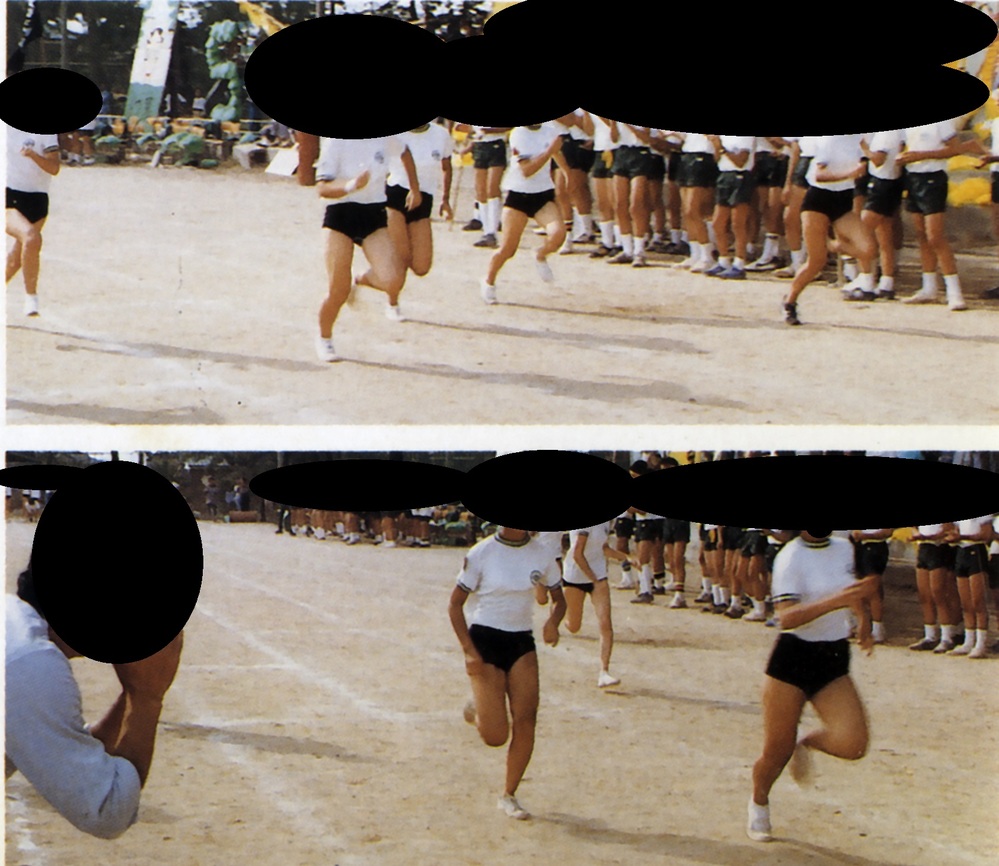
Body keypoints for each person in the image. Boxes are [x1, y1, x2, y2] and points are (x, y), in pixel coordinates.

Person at [6, 565, 183, 838]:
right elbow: (107, 812)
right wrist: (146, 697)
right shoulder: (31, 663)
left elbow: (70, 753)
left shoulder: (13, 627)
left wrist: (132, 693)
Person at [748, 530, 877, 843]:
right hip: (793, 660)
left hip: (832, 657)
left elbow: (852, 589)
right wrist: (837, 602)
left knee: (854, 744)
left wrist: (863, 619)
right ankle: (759, 801)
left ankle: (805, 742)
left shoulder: (845, 548)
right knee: (776, 752)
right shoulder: (790, 557)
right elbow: (786, 617)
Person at [448, 525, 566, 820]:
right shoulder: (482, 552)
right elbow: (455, 605)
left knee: (526, 719)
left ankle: (509, 793)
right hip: (485, 640)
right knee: (495, 736)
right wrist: (468, 650)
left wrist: (553, 622)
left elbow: (558, 598)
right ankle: (477, 707)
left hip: (521, 641)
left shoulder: (542, 554)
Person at [313, 135, 421, 360]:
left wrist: (415, 188)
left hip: (373, 215)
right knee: (338, 290)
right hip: (340, 214)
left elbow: (404, 151)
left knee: (393, 279)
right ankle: (324, 338)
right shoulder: (336, 141)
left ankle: (360, 279)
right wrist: (351, 186)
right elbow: (322, 188)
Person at [783, 134, 876, 326]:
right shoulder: (830, 140)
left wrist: (867, 153)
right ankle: (790, 300)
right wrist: (850, 174)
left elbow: (875, 160)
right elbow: (820, 175)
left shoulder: (859, 140)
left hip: (843, 201)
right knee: (816, 261)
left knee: (868, 249)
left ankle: (835, 246)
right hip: (818, 200)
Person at [479, 122, 569, 304]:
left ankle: (540, 254)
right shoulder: (519, 134)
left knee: (559, 233)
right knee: (508, 249)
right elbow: (527, 170)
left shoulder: (550, 131)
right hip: (518, 195)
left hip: (543, 195)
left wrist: (567, 174)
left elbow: (556, 153)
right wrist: (550, 150)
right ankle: (488, 280)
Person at [384, 121, 454, 320]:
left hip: (424, 200)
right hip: (396, 195)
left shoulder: (441, 135)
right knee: (401, 257)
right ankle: (392, 303)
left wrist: (445, 200)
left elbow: (447, 167)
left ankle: (364, 278)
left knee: (422, 267)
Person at [562, 520, 637, 687]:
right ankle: (559, 611)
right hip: (575, 577)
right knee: (573, 626)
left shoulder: (606, 524)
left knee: (605, 624)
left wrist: (626, 558)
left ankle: (604, 671)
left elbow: (603, 548)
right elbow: (577, 554)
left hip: (599, 575)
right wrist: (593, 579)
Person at [6, 122, 61, 317]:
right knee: (31, 238)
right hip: (8, 193)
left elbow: (54, 168)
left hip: (37, 198)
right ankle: (31, 297)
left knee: (17, 258)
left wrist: (33, 156)